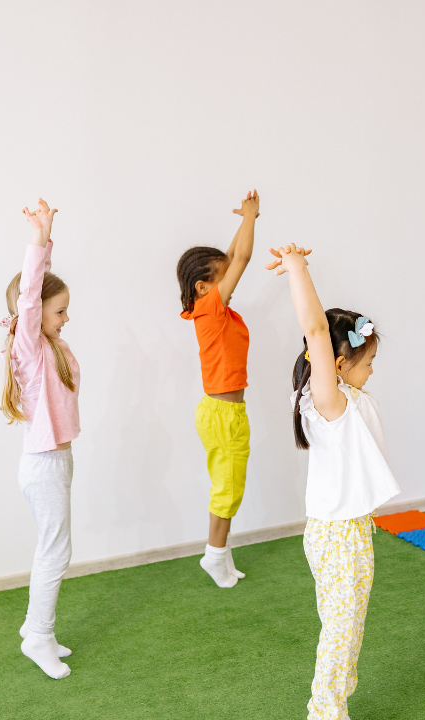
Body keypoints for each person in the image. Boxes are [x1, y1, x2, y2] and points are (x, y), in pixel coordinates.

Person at [267, 243, 400, 719]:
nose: (371, 371)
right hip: (338, 534)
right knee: (340, 631)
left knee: (345, 627)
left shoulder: (339, 400)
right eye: (366, 363)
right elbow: (316, 329)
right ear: (339, 366)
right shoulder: (331, 403)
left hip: (344, 529)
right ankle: (325, 710)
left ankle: (335, 699)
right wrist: (298, 270)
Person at [0, 198, 79, 679]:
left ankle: (36, 631)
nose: (66, 318)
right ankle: (39, 637)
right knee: (55, 552)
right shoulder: (28, 348)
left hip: (58, 460)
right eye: (60, 311)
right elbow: (29, 297)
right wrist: (39, 239)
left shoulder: (53, 345)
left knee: (56, 549)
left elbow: (39, 298)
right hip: (44, 464)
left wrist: (49, 249)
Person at [176, 191, 261, 587]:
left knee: (231, 486)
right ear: (202, 287)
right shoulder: (210, 309)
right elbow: (240, 260)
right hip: (222, 414)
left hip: (226, 412)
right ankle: (213, 556)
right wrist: (250, 218)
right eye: (221, 279)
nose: (230, 283)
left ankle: (221, 556)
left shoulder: (211, 307)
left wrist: (240, 226)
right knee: (227, 489)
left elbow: (231, 258)